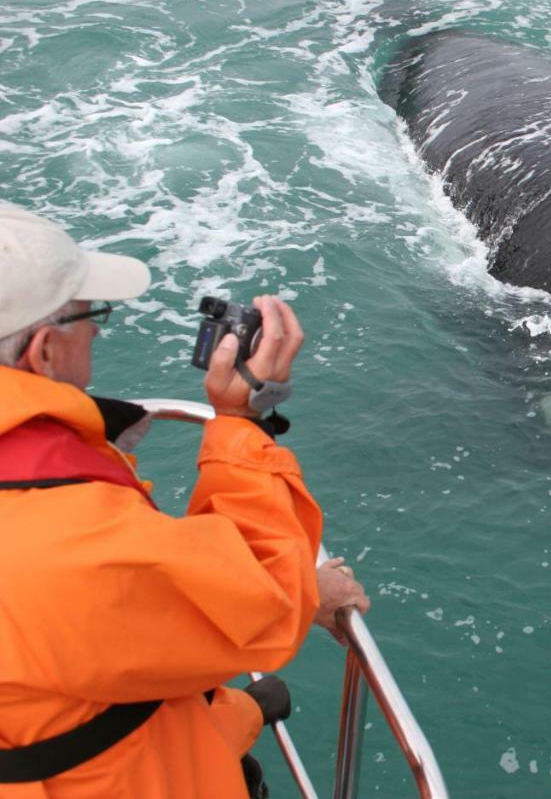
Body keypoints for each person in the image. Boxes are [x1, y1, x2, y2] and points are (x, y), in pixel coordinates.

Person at [0, 202, 370, 797]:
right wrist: (238, 421)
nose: (97, 328)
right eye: (94, 313)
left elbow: (81, 648)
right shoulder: (60, 536)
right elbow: (257, 606)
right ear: (42, 351)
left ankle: (235, 716)